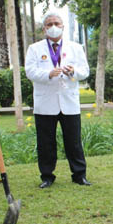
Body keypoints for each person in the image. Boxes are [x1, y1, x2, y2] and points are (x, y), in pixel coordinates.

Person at [25, 11, 90, 189]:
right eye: (49, 24)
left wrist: (73, 72)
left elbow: (85, 70)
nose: (53, 27)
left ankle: (79, 175)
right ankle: (47, 176)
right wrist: (48, 74)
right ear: (44, 29)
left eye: (57, 24)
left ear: (63, 27)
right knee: (45, 142)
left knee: (74, 141)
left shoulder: (75, 47)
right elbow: (30, 71)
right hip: (45, 103)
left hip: (69, 101)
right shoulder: (34, 48)